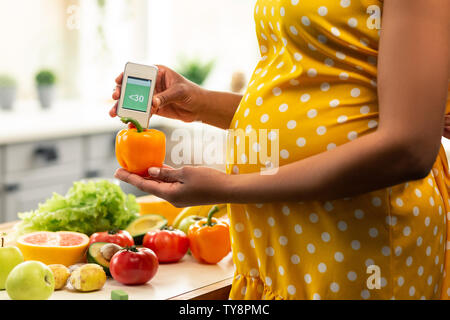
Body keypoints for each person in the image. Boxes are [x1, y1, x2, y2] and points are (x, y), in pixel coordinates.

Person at [110, 0, 450, 299]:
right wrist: (201, 104)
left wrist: (228, 187)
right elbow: (314, 95)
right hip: (278, 245)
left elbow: (409, 148)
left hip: (358, 239)